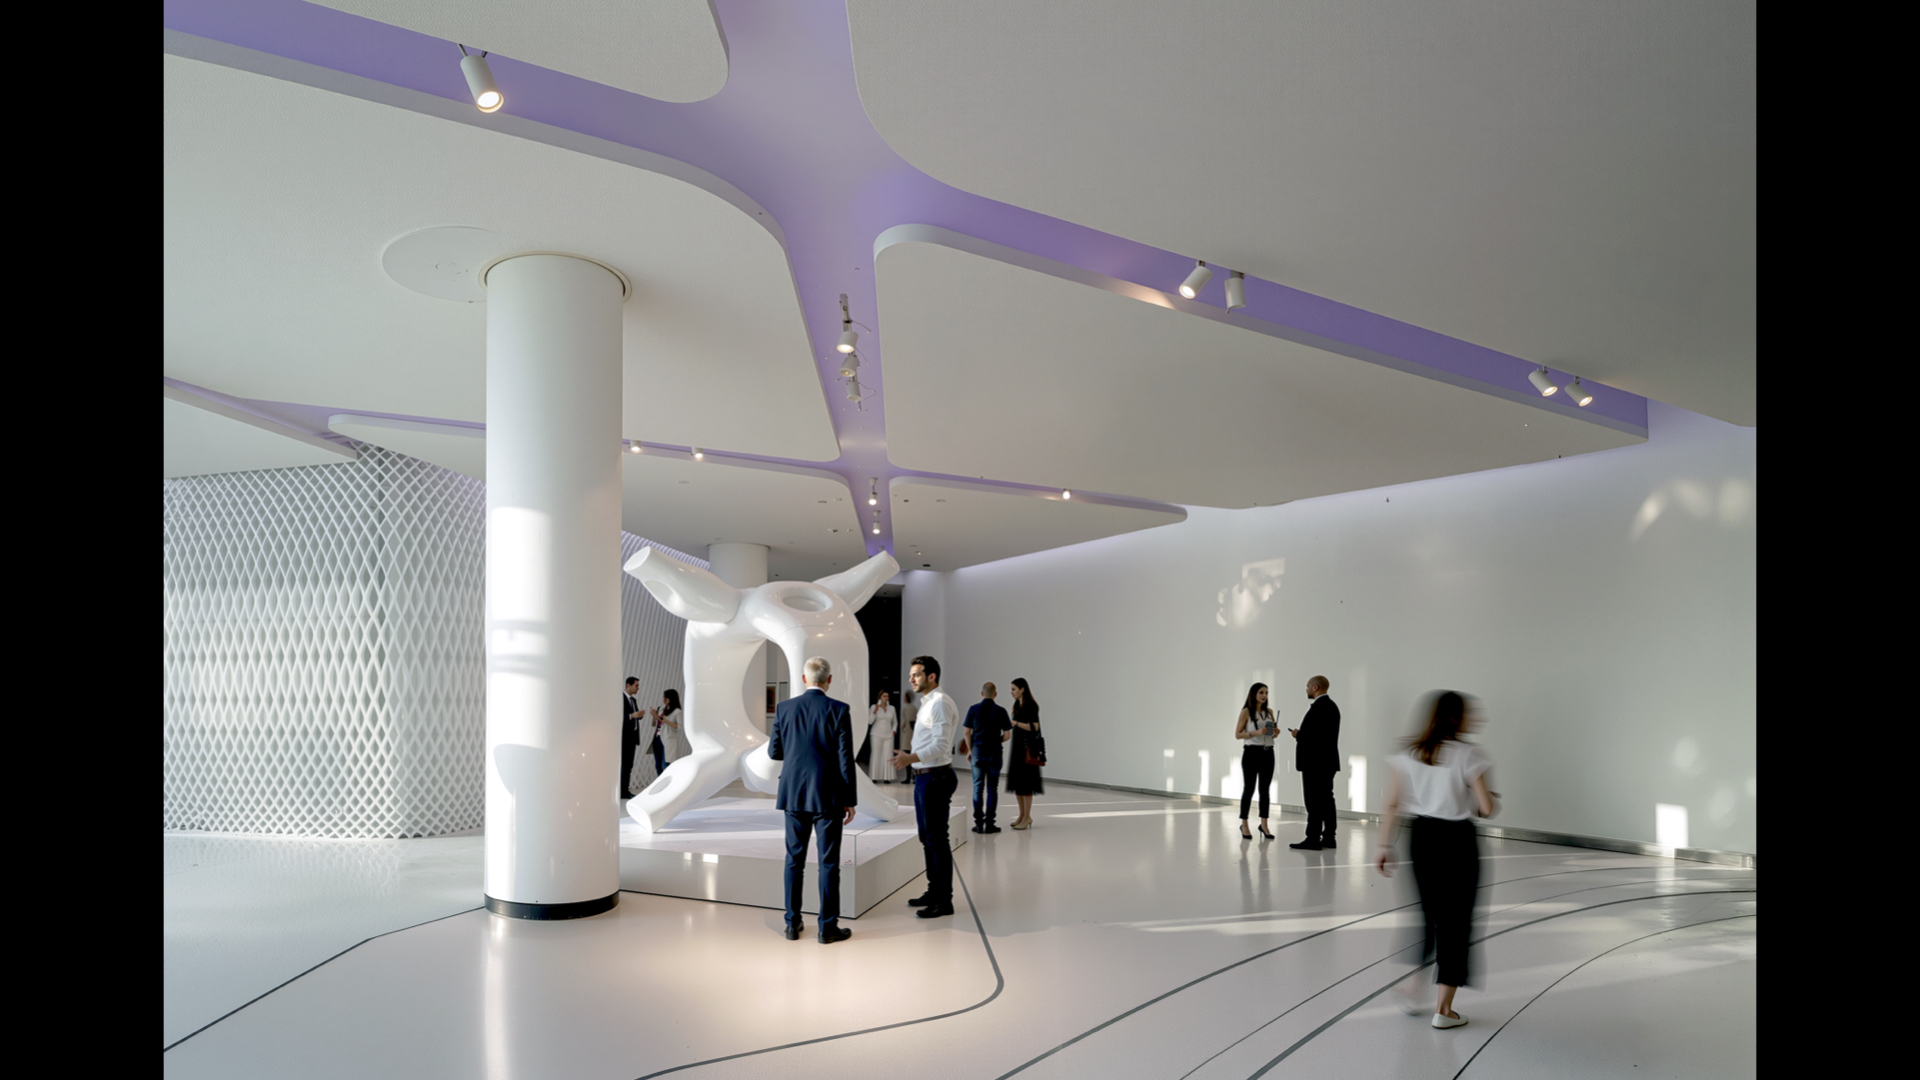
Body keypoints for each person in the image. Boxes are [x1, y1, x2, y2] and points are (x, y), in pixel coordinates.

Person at [1376, 691, 1497, 1030]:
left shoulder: (1409, 753)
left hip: (1422, 839)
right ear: (1457, 718)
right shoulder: (1470, 754)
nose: (1475, 718)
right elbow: (1487, 808)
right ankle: (1444, 1010)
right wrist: (1481, 799)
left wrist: (1383, 845)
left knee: (1427, 915)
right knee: (1457, 921)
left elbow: (1392, 804)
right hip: (1458, 841)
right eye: (1470, 713)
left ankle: (1415, 990)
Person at [767, 656, 858, 944]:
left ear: (804, 679)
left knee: (794, 860)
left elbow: (774, 752)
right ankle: (827, 928)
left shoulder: (784, 708)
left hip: (793, 794)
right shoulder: (839, 710)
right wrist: (850, 799)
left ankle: (792, 924)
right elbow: (846, 760)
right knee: (828, 863)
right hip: (828, 796)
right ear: (829, 680)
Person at [891, 656, 959, 918]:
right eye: (911, 675)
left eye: (917, 674)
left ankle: (944, 901)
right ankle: (934, 891)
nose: (911, 679)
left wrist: (910, 758)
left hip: (935, 778)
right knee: (927, 839)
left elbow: (942, 745)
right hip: (926, 778)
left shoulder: (940, 703)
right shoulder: (929, 703)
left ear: (932, 676)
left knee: (937, 840)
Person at [1289, 675, 1342, 850]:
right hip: (1327, 762)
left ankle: (1312, 838)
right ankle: (1328, 837)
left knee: (1313, 801)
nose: (1306, 689)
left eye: (1307, 686)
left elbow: (1316, 737)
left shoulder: (1320, 707)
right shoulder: (1332, 706)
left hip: (1315, 763)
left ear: (1315, 687)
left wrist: (1298, 734)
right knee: (1327, 800)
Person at [959, 683, 1012, 833]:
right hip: (995, 754)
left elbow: (967, 733)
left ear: (982, 693)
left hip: (978, 752)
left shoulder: (973, 709)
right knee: (992, 788)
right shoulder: (1001, 711)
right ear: (995, 694)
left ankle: (978, 823)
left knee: (978, 788)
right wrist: (996, 741)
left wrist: (970, 750)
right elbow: (1007, 735)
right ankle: (990, 823)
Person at [1234, 683, 1278, 840]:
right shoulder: (1246, 712)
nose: (1264, 695)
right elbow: (1238, 735)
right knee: (1249, 789)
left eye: (1266, 692)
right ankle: (1244, 824)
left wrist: (1275, 732)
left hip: (1268, 753)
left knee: (1265, 790)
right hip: (1251, 753)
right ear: (1253, 694)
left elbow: (1271, 735)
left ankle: (1264, 824)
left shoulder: (1269, 712)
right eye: (1261, 692)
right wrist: (1255, 732)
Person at [1004, 678, 1045, 829]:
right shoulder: (1017, 705)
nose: (1011, 692)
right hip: (1018, 749)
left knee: (1026, 785)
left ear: (1022, 689)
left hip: (1027, 749)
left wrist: (1015, 723)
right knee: (1018, 784)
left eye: (1014, 689)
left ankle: (1027, 816)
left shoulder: (1031, 705)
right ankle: (1022, 815)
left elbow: (1034, 726)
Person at [621, 677, 645, 798]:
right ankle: (622, 791)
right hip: (624, 738)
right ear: (628, 685)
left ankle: (624, 790)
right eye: (636, 685)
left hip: (632, 738)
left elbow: (634, 716)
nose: (638, 688)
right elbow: (617, 716)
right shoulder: (620, 698)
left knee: (629, 765)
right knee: (624, 765)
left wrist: (639, 715)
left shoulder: (633, 700)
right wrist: (632, 715)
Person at [652, 689, 687, 766]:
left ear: (672, 698)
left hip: (668, 738)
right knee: (657, 765)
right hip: (657, 737)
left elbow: (679, 727)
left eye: (666, 697)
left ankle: (667, 778)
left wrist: (666, 721)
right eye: (663, 697)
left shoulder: (677, 712)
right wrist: (654, 716)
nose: (664, 699)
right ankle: (661, 778)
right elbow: (655, 723)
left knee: (665, 764)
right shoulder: (661, 708)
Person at [869, 692, 898, 784]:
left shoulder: (892, 708)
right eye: (884, 696)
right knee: (876, 754)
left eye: (887, 696)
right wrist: (874, 712)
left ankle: (887, 777)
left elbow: (895, 722)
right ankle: (874, 777)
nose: (887, 697)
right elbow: (869, 722)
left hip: (889, 735)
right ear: (880, 697)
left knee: (888, 755)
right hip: (876, 733)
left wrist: (894, 730)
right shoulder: (874, 707)